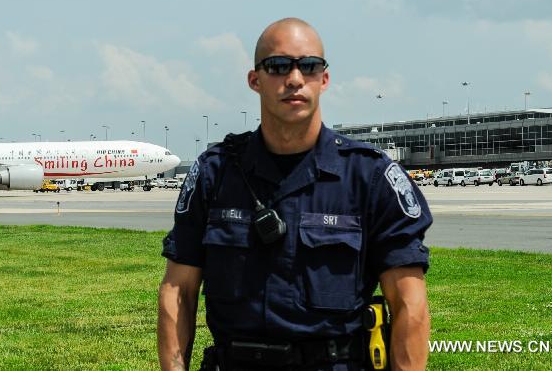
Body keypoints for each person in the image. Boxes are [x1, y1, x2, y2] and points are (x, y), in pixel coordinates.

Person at [157, 18, 432, 371]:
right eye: (279, 66)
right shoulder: (216, 173)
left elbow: (409, 301)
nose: (295, 79)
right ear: (255, 80)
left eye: (309, 66)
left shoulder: (369, 176)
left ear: (324, 79)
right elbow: (179, 290)